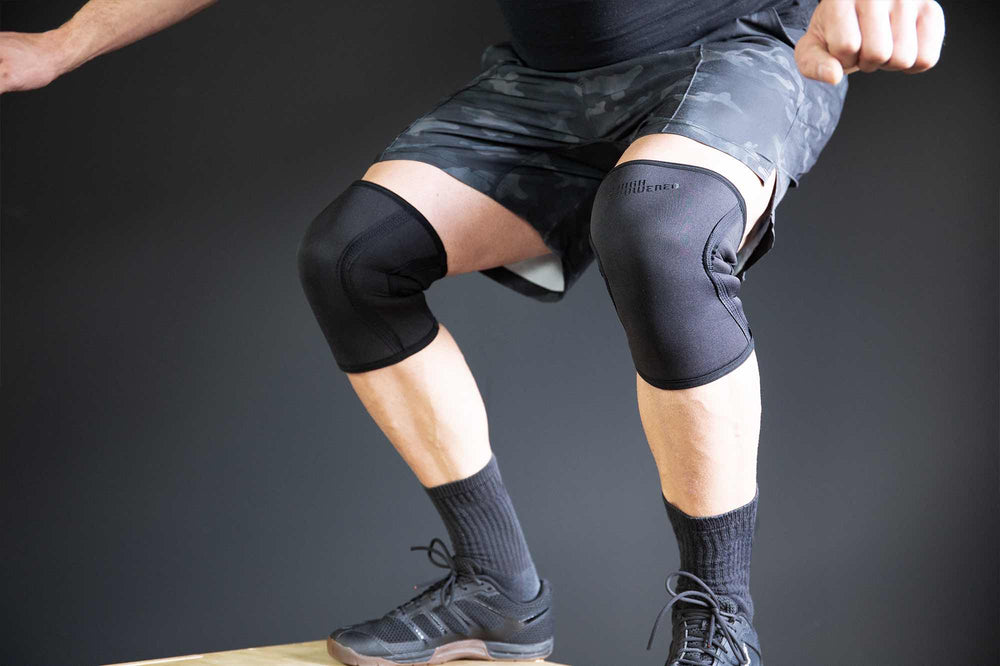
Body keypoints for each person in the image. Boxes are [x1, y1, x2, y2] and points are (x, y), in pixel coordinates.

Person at [0, 1, 945, 664]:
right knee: (352, 257)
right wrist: (58, 45)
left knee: (659, 225)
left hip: (741, 45)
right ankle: (497, 588)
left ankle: (721, 627)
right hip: (547, 83)